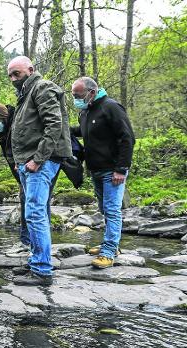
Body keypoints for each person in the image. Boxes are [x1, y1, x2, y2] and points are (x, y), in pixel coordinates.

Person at [7, 56, 73, 286]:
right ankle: (37, 261)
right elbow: (26, 130)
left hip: (41, 162)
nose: (13, 78)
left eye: (17, 73)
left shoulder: (41, 87)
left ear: (30, 69)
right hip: (28, 162)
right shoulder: (25, 93)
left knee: (34, 214)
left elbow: (54, 125)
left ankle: (42, 271)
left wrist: (37, 159)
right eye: (11, 75)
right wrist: (19, 160)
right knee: (34, 213)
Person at [71, 77, 135, 269]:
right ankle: (111, 245)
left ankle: (108, 252)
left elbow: (127, 138)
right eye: (74, 95)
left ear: (91, 92)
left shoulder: (111, 107)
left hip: (113, 170)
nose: (75, 99)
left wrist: (121, 169)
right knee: (104, 209)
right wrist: (64, 129)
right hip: (95, 170)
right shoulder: (85, 111)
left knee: (113, 210)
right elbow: (84, 131)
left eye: (78, 95)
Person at [0, 103, 60, 250]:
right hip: (21, 166)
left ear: (3, 117)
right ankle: (26, 240)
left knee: (37, 203)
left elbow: (27, 141)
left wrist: (25, 161)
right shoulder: (2, 129)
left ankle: (36, 244)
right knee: (26, 201)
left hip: (34, 164)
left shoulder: (17, 121)